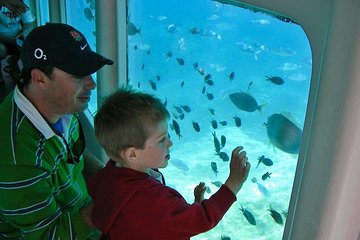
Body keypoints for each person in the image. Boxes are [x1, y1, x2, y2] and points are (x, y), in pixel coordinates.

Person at [88, 88, 251, 240]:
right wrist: (233, 184)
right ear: (132, 154)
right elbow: (201, 220)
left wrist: (194, 205)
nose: (170, 143)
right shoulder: (152, 200)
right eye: (161, 140)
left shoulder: (108, 177)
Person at [0, 23, 113, 239]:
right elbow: (48, 236)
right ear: (40, 78)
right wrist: (110, 205)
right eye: (78, 75)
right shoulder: (18, 160)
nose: (91, 84)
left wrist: (117, 178)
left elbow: (73, 157)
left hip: (80, 214)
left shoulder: (60, 106)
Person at [0, 0, 35, 83]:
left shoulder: (23, 3)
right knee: (1, 50)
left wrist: (23, 34)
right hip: (1, 38)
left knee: (26, 47)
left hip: (16, 36)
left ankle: (12, 64)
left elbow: (29, 23)